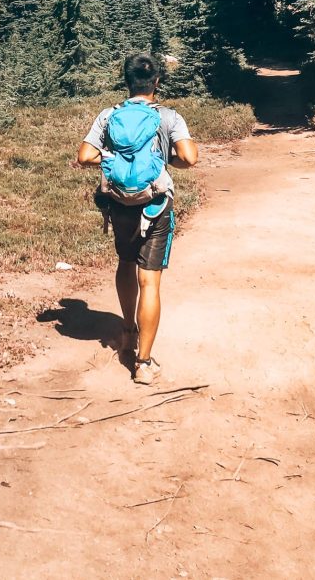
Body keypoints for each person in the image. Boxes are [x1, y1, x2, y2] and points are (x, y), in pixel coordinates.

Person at [77, 54, 198, 385]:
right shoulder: (168, 117)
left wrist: (112, 159)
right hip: (155, 205)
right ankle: (143, 364)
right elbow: (189, 157)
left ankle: (127, 332)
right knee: (150, 282)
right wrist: (164, 161)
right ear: (156, 81)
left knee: (125, 263)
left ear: (126, 80)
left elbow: (84, 155)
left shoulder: (109, 115)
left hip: (119, 205)